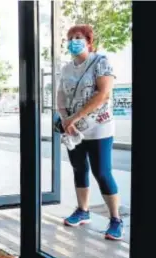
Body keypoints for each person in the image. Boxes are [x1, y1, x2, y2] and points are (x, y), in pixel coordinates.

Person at [56, 24, 123, 240]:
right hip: (73, 129)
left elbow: (103, 94)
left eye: (78, 37)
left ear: (88, 41)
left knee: (102, 172)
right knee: (79, 168)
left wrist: (74, 118)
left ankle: (115, 219)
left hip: (98, 127)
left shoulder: (100, 61)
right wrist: (66, 119)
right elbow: (61, 97)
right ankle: (83, 211)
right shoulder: (66, 69)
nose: (73, 41)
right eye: (70, 38)